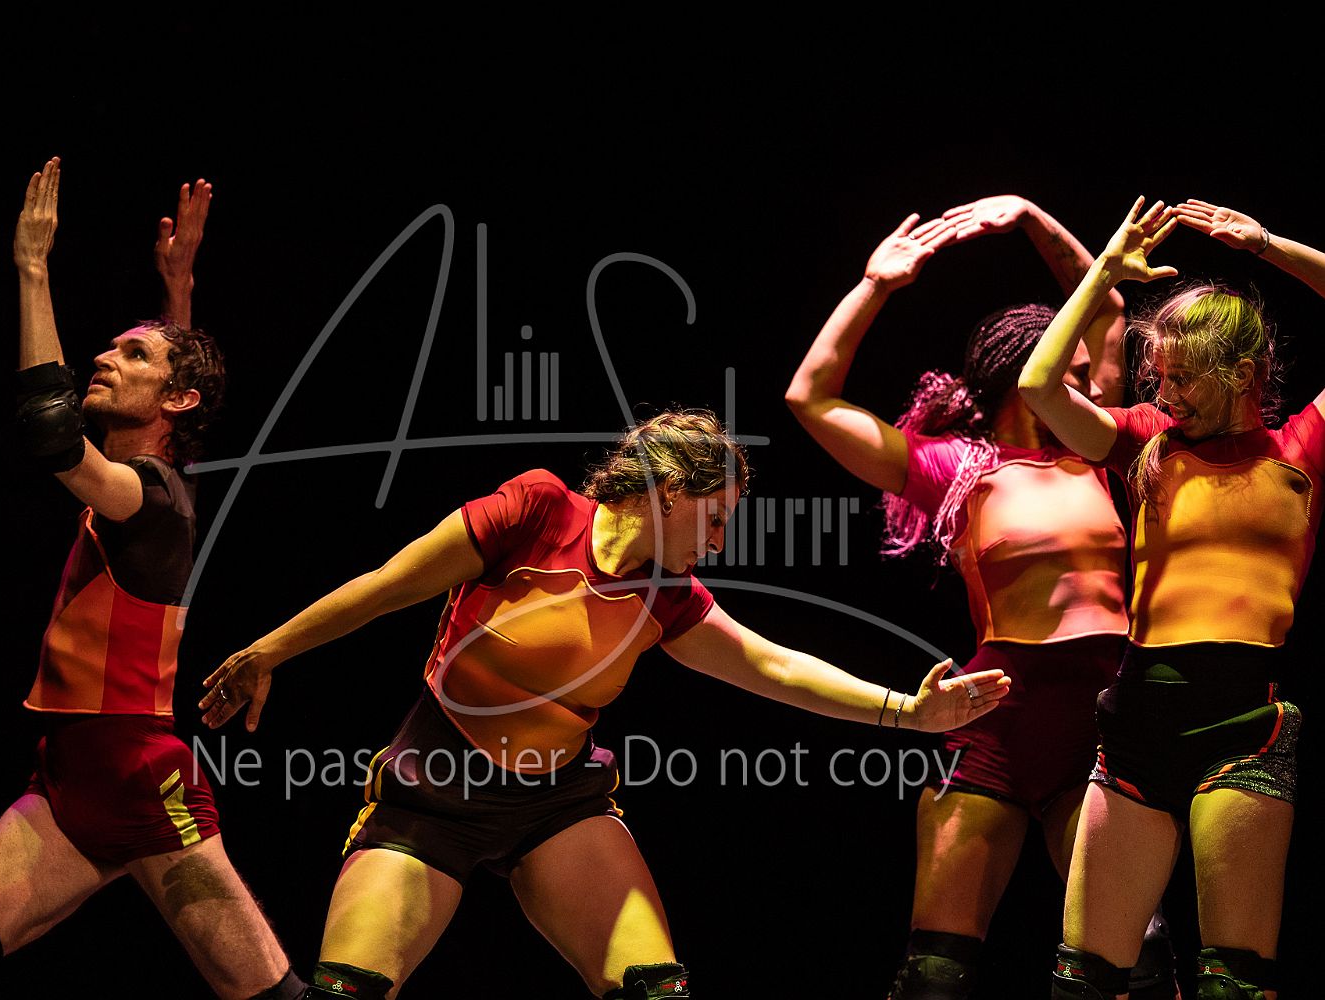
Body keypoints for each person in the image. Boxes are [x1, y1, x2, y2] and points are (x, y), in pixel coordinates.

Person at [198, 409, 1011, 1000]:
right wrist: (269, 651)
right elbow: (386, 587)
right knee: (349, 992)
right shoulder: (536, 511)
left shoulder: (669, 597)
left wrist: (908, 712)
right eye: (715, 518)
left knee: (655, 990)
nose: (719, 543)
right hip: (431, 794)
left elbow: (773, 665)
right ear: (667, 491)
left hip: (558, 806)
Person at [0, 158, 310, 1000]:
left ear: (177, 401)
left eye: (131, 354)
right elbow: (173, 393)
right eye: (115, 348)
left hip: (139, 778)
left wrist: (31, 266)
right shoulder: (152, 477)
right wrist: (178, 292)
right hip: (66, 776)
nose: (103, 357)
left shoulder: (151, 498)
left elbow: (52, 436)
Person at [786, 195, 1176, 999]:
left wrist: (1030, 216)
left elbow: (1106, 304)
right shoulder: (957, 470)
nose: (1090, 386)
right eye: (1071, 375)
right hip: (998, 718)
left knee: (1135, 962)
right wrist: (876, 286)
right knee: (936, 973)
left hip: (1103, 719)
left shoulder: (1103, 451)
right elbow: (810, 400)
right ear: (1021, 378)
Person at [1018, 196, 1325, 1000]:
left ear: (1243, 375)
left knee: (1233, 984)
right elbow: (1038, 385)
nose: (1167, 390)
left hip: (1243, 722)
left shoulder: (1301, 450)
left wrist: (1267, 245)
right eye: (1160, 375)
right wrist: (1102, 274)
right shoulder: (1144, 441)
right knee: (1084, 981)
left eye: (1184, 376)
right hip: (1137, 720)